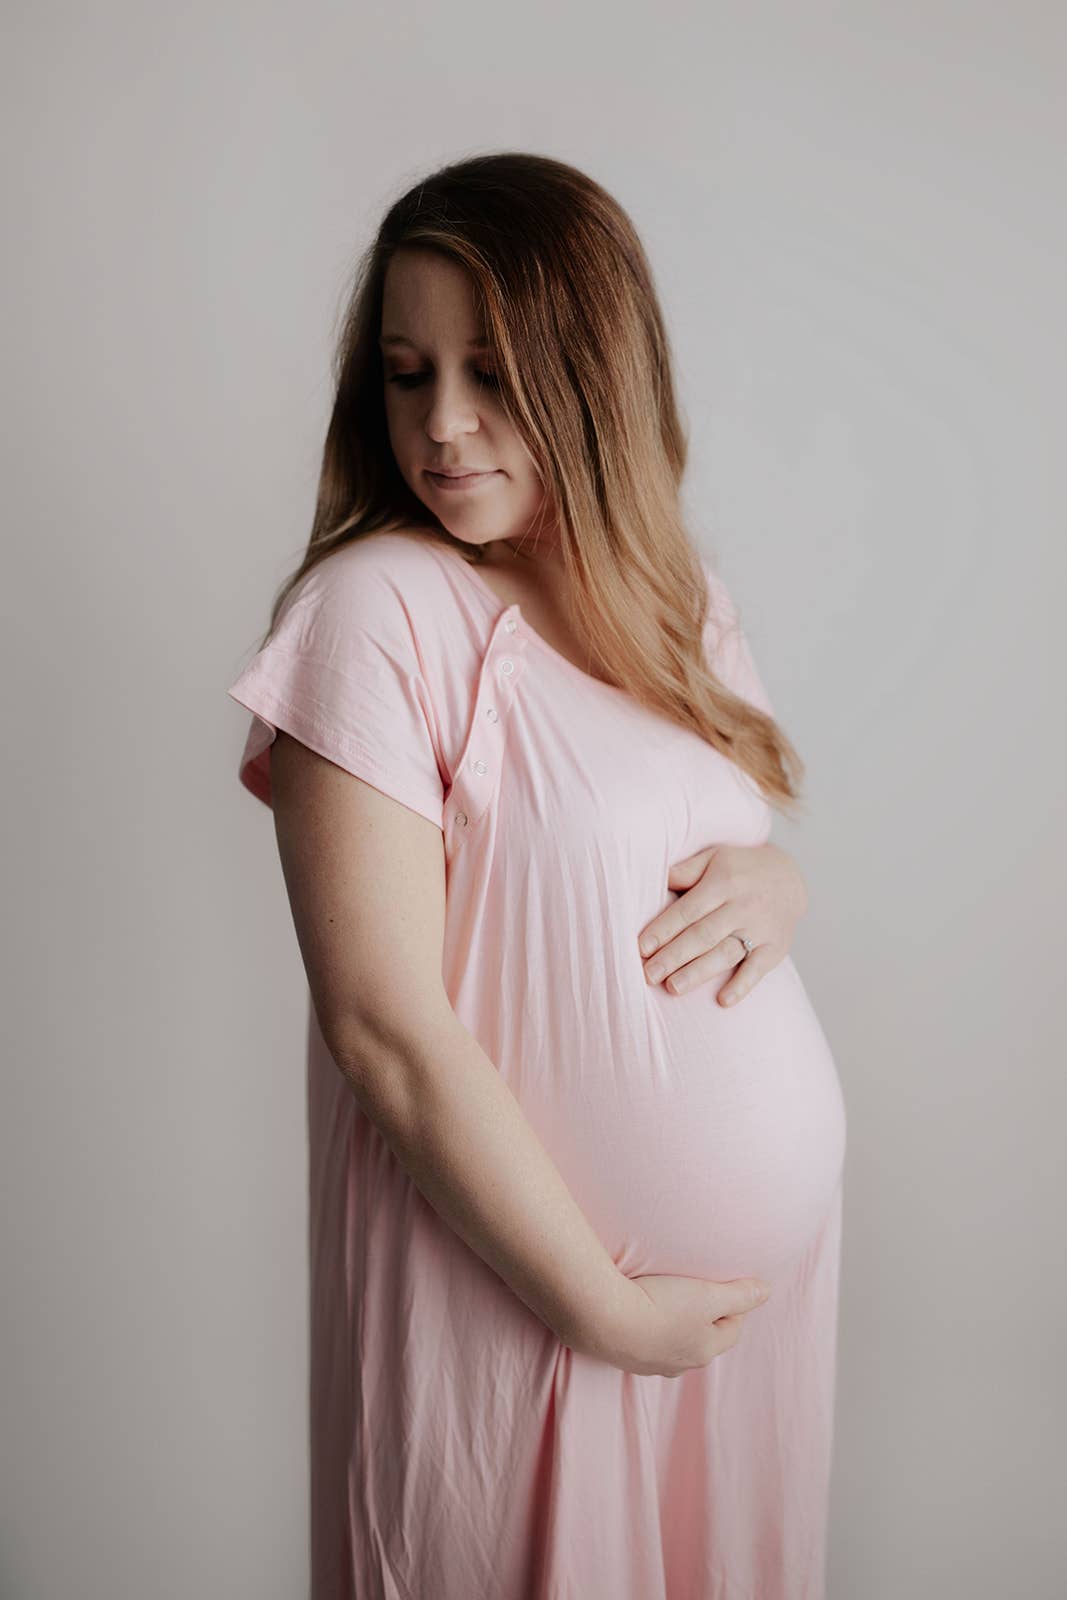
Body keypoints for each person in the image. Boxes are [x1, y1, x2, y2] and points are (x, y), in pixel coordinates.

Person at [226, 151, 848, 1600]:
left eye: (492, 373)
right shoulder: (372, 610)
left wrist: (786, 890)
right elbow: (383, 1029)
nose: (441, 426)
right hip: (520, 1314)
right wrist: (601, 1314)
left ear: (594, 372)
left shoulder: (675, 602)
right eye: (406, 372)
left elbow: (714, 855)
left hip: (739, 1336)